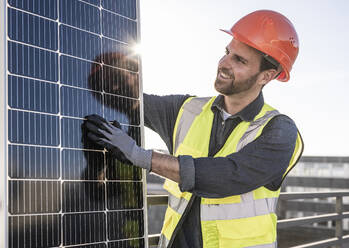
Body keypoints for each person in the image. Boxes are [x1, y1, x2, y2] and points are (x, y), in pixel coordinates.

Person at [84, 9, 304, 248]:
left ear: (266, 76)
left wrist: (139, 156)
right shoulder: (186, 109)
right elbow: (127, 101)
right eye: (227, 52)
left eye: (239, 60)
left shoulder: (279, 131)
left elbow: (227, 176)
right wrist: (106, 67)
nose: (224, 63)